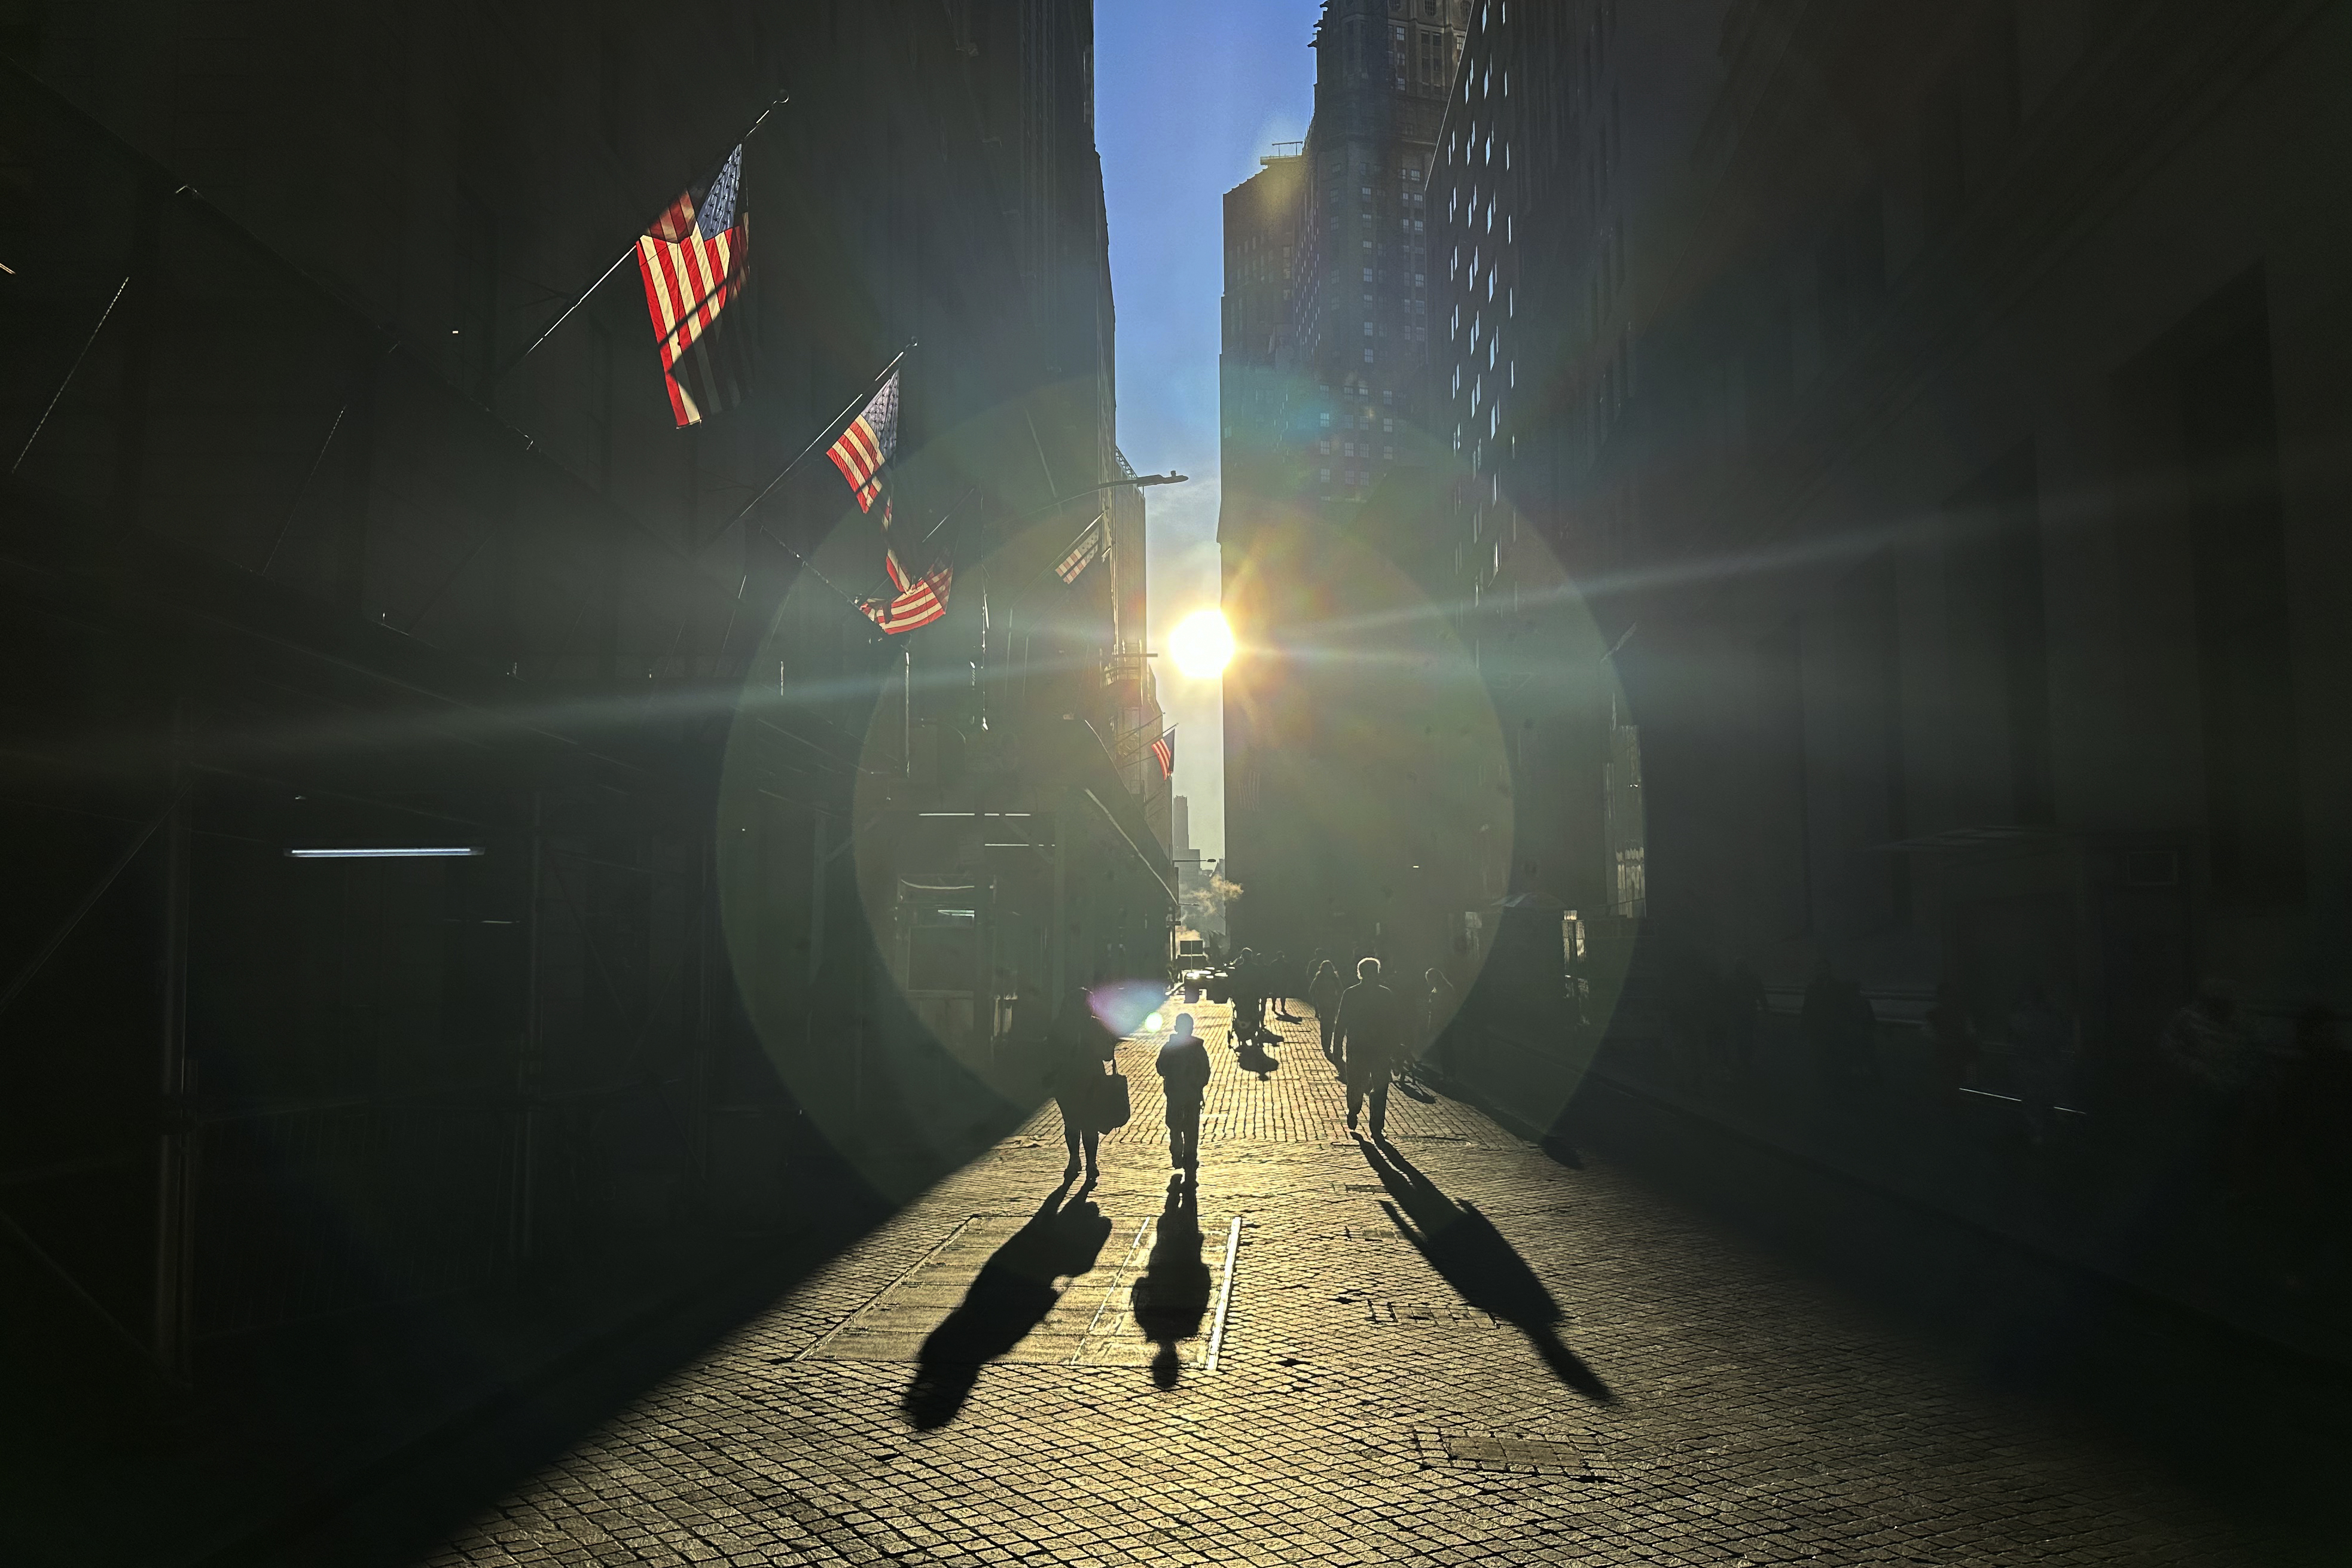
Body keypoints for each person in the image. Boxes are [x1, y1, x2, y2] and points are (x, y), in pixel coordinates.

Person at [1047, 983, 1116, 1182]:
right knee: (1090, 1124)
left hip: (1066, 1081)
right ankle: (1091, 1163)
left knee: (1071, 1122)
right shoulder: (1095, 1025)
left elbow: (1051, 1052)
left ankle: (1074, 1159)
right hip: (1092, 1081)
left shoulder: (1060, 1024)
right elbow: (1107, 1055)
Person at [1335, 956, 1405, 1140]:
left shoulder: (1350, 994)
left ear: (1360, 973)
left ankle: (1354, 1110)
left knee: (1356, 1083)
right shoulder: (1386, 994)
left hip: (1357, 1047)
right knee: (1380, 1087)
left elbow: (1341, 1022)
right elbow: (1395, 1024)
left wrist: (1337, 1048)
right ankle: (1376, 1126)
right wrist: (1397, 1048)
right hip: (1380, 1049)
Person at [1157, 1012, 1212, 1182]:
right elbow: (1205, 1071)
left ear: (1176, 1029)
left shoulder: (1169, 1047)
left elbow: (1161, 1068)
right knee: (1191, 1127)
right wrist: (1199, 1084)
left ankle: (1176, 1151)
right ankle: (1190, 1157)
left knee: (1174, 1124)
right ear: (1192, 1029)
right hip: (1193, 1094)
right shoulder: (1198, 1048)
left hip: (1174, 1093)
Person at [1923, 981, 1978, 1106]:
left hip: (1947, 1054)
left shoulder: (1933, 1015)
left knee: (1949, 1083)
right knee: (1958, 1082)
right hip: (1956, 1054)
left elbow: (1929, 1035)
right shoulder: (1962, 1013)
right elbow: (1971, 1033)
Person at [1308, 959, 1345, 1064]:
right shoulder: (1330, 977)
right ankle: (1326, 1043)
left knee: (1326, 1024)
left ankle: (1326, 1044)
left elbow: (1312, 989)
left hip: (1327, 1003)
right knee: (1327, 1024)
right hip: (1326, 1004)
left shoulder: (1323, 977)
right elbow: (1341, 990)